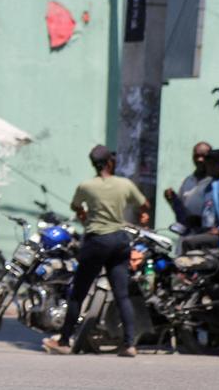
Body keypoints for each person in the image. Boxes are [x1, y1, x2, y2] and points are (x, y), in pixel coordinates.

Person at [42, 145, 150, 357]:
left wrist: (85, 215)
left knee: (78, 294)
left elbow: (76, 207)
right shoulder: (124, 184)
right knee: (122, 295)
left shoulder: (86, 186)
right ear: (110, 162)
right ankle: (129, 344)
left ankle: (64, 341)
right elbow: (144, 204)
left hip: (96, 241)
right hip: (119, 241)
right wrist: (144, 216)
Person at [164, 141, 212, 229]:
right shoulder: (188, 181)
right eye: (197, 156)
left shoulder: (215, 182)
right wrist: (173, 199)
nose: (200, 160)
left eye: (203, 156)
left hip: (207, 235)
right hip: (188, 234)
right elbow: (181, 211)